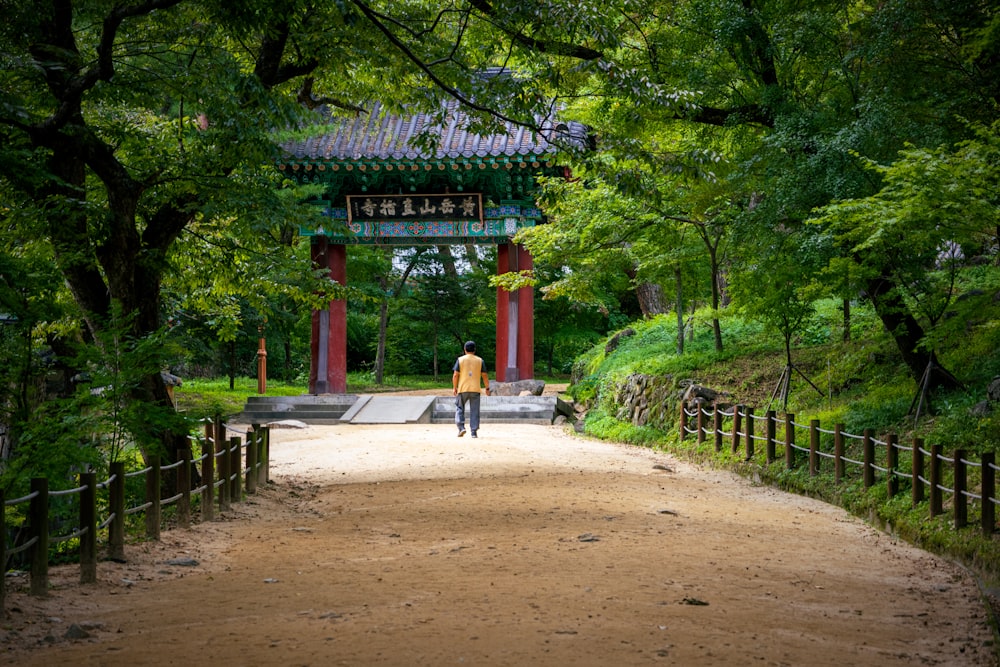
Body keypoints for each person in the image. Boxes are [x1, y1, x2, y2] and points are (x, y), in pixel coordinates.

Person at [452, 340, 490, 438]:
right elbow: (484, 375)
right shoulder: (480, 360)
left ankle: (461, 428)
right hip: (475, 389)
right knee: (475, 410)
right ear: (475, 350)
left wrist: (455, 387)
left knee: (459, 407)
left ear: (465, 349)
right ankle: (474, 431)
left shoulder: (460, 360)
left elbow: (456, 374)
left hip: (463, 388)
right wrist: (487, 388)